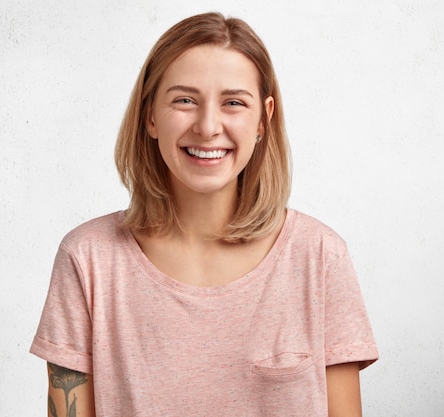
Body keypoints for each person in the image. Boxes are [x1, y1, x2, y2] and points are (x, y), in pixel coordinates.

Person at [31, 12, 378, 417]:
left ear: (264, 119)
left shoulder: (321, 258)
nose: (208, 126)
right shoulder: (87, 260)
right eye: (184, 100)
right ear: (150, 116)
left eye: (233, 102)